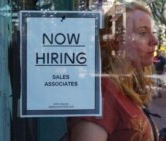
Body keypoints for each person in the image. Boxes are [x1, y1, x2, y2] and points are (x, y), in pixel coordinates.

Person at [67, 2, 159, 141]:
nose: (155, 40)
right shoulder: (100, 92)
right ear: (116, 41)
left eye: (153, 33)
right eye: (143, 33)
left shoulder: (124, 86)